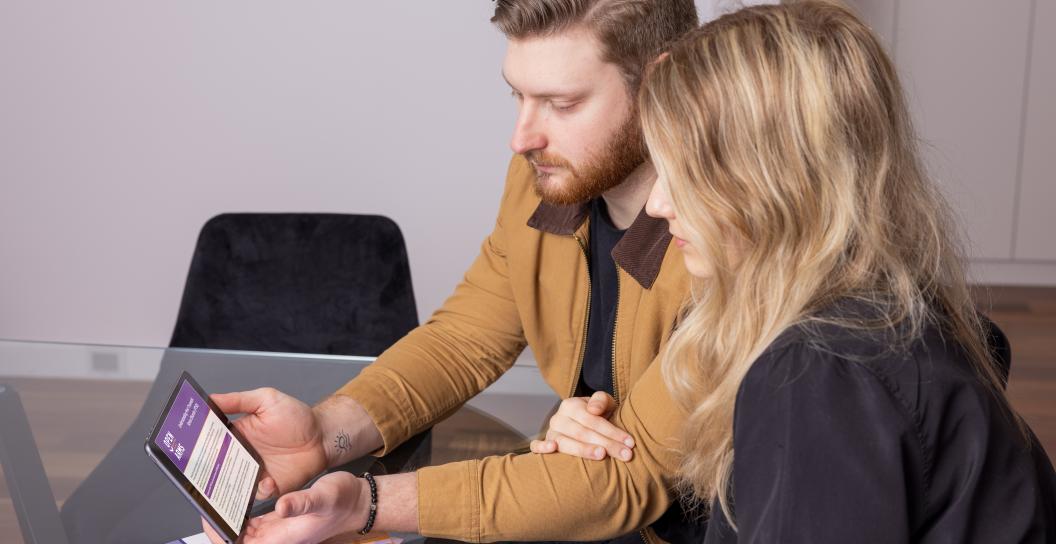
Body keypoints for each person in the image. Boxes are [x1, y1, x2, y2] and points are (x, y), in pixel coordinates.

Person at [202, 1, 705, 543]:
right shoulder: (544, 177)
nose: (522, 137)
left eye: (561, 103)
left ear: (663, 82)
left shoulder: (727, 242)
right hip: (567, 496)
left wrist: (364, 504)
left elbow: (628, 475)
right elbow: (466, 338)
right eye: (518, 95)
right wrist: (325, 436)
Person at [627, 2, 1056, 541]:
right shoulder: (889, 312)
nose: (656, 205)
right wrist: (653, 494)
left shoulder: (819, 371)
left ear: (772, 182)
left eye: (683, 173)